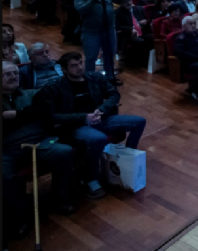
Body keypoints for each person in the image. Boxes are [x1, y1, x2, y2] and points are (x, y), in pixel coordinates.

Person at [35, 52, 146, 200]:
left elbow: (114, 95)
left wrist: (101, 110)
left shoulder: (95, 78)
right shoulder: (55, 88)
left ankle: (126, 158)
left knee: (139, 122)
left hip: (101, 119)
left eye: (81, 63)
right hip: (76, 126)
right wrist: (84, 117)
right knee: (97, 138)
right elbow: (52, 116)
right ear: (65, 69)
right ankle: (91, 179)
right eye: (74, 65)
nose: (80, 67)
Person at [3, 61, 76, 242]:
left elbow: (45, 110)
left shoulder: (32, 93)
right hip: (7, 148)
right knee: (4, 176)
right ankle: (20, 216)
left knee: (64, 152)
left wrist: (18, 116)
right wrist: (29, 115)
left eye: (15, 73)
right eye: (7, 74)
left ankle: (61, 198)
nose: (14, 76)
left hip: (40, 141)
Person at [75, 0, 122, 86]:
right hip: (91, 31)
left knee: (109, 54)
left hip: (109, 29)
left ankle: (110, 77)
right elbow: (82, 10)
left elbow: (120, 1)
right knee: (91, 56)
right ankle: (90, 79)